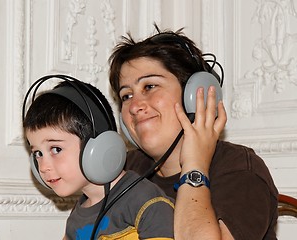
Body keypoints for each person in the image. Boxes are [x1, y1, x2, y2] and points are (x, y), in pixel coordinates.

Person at [108, 25, 278, 240]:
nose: (134, 106)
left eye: (149, 86)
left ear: (195, 95)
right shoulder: (124, 171)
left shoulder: (241, 169)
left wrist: (195, 166)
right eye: (126, 96)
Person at [22, 75, 175, 240]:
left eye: (56, 149)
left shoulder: (145, 200)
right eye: (38, 153)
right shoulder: (76, 220)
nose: (43, 167)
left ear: (98, 147)